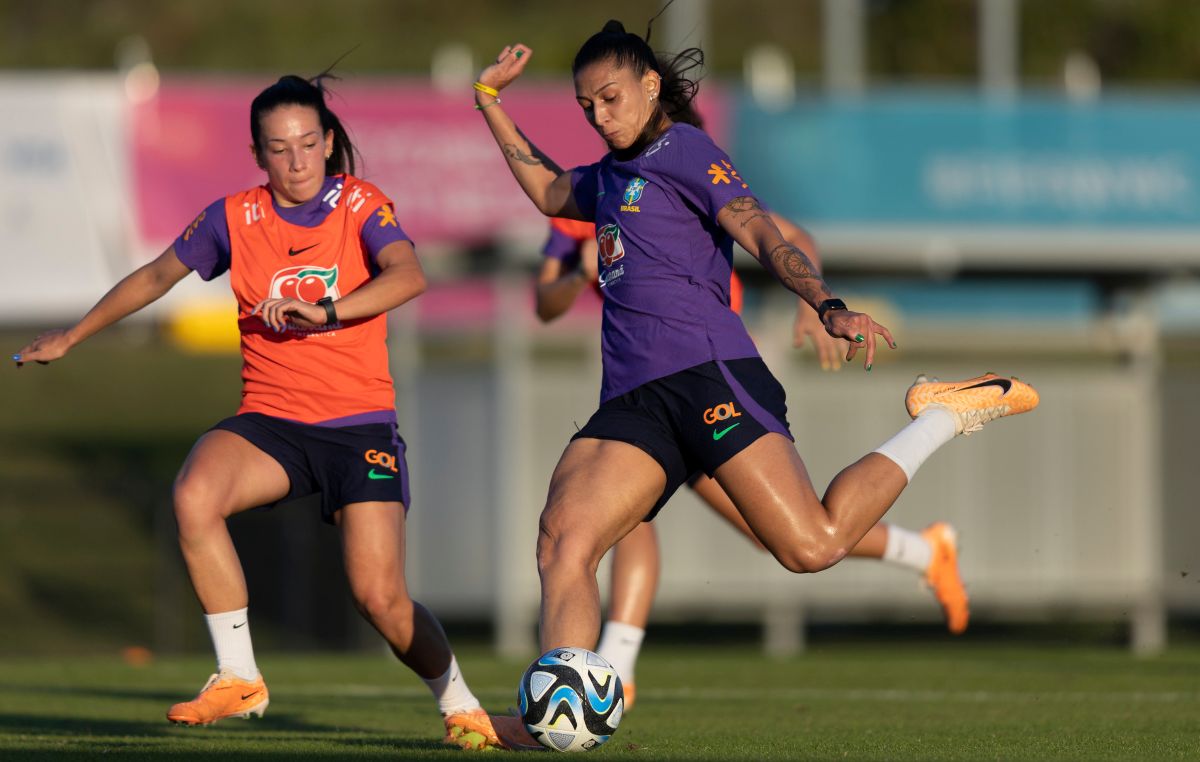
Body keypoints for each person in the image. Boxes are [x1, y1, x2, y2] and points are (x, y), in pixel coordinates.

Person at [468, 19, 1037, 749]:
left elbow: (763, 232)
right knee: (563, 542)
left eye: (610, 98)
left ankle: (941, 415)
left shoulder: (688, 151)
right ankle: (557, 720)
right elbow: (550, 191)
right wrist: (488, 98)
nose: (600, 116)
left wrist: (824, 303)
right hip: (634, 400)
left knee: (813, 546)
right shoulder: (609, 177)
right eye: (587, 108)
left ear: (649, 84)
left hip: (709, 374)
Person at [13, 73, 498, 750]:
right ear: (257, 154)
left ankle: (462, 706)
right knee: (194, 495)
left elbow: (407, 275)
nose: (297, 160)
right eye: (279, 148)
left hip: (358, 427)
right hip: (272, 420)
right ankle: (238, 674)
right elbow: (156, 275)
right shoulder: (233, 218)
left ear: (329, 142)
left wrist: (323, 311)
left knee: (380, 598)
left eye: (307, 143)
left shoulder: (361, 204)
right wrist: (73, 334)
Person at [536, 212, 970, 711]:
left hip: (712, 368)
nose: (608, 131)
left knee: (788, 534)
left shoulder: (680, 175)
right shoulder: (582, 211)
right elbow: (545, 305)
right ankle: (924, 550)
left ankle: (615, 670)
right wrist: (576, 274)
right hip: (651, 381)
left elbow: (791, 235)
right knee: (752, 530)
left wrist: (812, 307)